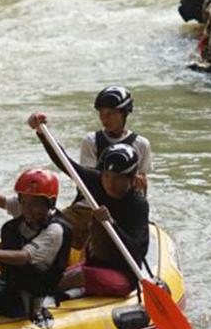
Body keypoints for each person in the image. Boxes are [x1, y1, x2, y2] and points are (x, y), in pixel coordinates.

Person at [29, 113, 149, 298]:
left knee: (75, 276)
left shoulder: (137, 205)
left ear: (132, 179)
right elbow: (66, 163)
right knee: (51, 273)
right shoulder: (98, 181)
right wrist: (42, 133)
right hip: (95, 264)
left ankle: (34, 296)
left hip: (123, 274)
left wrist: (111, 223)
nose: (110, 183)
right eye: (107, 176)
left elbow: (134, 252)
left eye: (118, 178)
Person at [0, 151, 72, 317]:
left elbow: (24, 256)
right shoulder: (25, 207)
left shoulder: (54, 230)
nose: (27, 209)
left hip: (29, 296)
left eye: (34, 204)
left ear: (50, 203)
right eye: (23, 201)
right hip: (10, 283)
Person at [60, 84, 152, 250]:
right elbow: (88, 178)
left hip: (120, 209)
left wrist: (140, 183)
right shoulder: (91, 141)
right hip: (87, 207)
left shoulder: (141, 144)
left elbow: (142, 186)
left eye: (110, 114)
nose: (105, 119)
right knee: (56, 226)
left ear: (124, 114)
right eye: (102, 114)